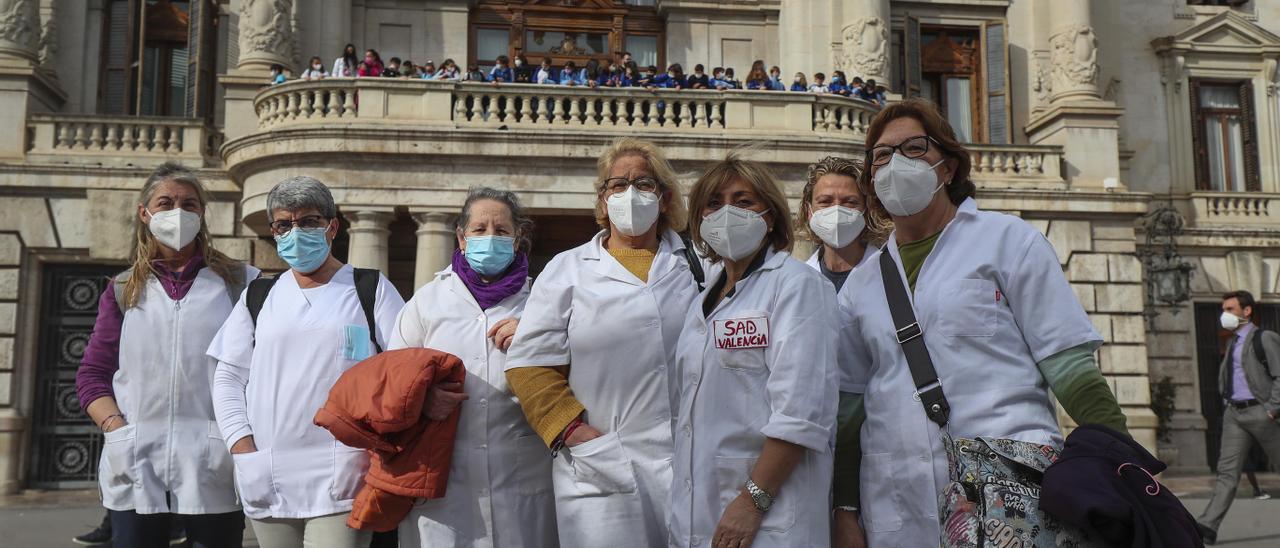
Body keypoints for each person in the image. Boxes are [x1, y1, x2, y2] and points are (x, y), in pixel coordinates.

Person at [832, 98, 1128, 548]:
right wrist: (846, 508)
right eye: (882, 155)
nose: (895, 163)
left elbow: (1071, 370)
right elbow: (850, 408)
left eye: (913, 148)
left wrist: (1128, 468)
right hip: (896, 499)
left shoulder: (1009, 241)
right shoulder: (860, 284)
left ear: (947, 168)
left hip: (1010, 492)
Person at [505, 138, 699, 548]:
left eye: (644, 184)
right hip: (601, 464)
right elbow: (528, 363)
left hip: (690, 462)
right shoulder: (567, 269)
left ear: (664, 199)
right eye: (618, 184)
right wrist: (570, 428)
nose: (631, 193)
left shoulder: (699, 266)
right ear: (602, 198)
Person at [209, 176, 405, 548]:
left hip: (345, 469)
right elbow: (228, 378)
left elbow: (402, 374)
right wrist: (241, 445)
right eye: (285, 224)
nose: (296, 231)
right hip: (269, 469)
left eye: (309, 221)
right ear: (274, 232)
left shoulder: (369, 288)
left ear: (332, 228)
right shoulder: (260, 295)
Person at [76, 162, 257, 548]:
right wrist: (116, 430)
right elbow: (93, 374)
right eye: (166, 202)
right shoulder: (124, 289)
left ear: (202, 213)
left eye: (189, 203)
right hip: (136, 458)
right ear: (145, 213)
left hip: (215, 464)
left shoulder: (241, 284)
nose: (178, 212)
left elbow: (263, 369)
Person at [669, 151, 839, 548]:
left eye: (743, 202)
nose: (726, 212)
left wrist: (752, 502)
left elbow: (800, 413)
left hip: (768, 513)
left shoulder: (797, 285)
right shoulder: (706, 297)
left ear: (770, 217)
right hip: (699, 508)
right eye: (714, 203)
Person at [389, 187, 558, 547]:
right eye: (479, 229)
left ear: (517, 240)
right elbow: (393, 377)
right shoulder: (427, 302)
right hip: (444, 479)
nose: (490, 238)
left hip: (522, 475)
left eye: (501, 230)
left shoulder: (543, 301)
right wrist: (424, 399)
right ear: (462, 238)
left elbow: (573, 369)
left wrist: (533, 334)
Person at [1196, 290, 1280, 545]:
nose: (1225, 314)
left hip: (1261, 411)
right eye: (1224, 309)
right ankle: (1207, 526)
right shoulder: (1232, 342)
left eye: (1230, 309)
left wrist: (1273, 408)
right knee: (1226, 472)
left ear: (1247, 311)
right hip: (1235, 414)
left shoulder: (1264, 338)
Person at [798, 156, 890, 292]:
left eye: (850, 202)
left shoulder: (890, 274)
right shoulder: (797, 280)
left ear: (866, 210)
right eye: (825, 201)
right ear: (809, 211)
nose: (836, 209)